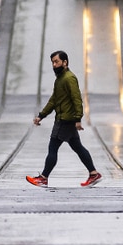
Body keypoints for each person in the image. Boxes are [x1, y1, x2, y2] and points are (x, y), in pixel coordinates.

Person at [27, 51, 102, 187]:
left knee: (53, 147)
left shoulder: (69, 78)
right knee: (78, 147)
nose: (54, 65)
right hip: (65, 119)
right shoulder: (60, 79)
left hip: (65, 120)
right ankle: (93, 173)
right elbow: (54, 100)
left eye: (56, 62)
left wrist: (78, 119)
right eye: (52, 62)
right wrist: (41, 115)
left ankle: (43, 178)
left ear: (65, 62)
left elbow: (77, 99)